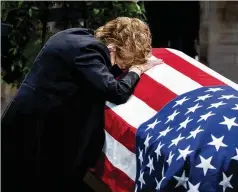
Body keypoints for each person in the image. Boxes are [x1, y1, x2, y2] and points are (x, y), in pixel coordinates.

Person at [1, 17, 160, 192]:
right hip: (32, 134)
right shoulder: (88, 51)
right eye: (123, 62)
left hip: (29, 126)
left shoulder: (78, 37)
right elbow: (116, 91)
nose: (122, 68)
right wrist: (136, 70)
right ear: (113, 47)